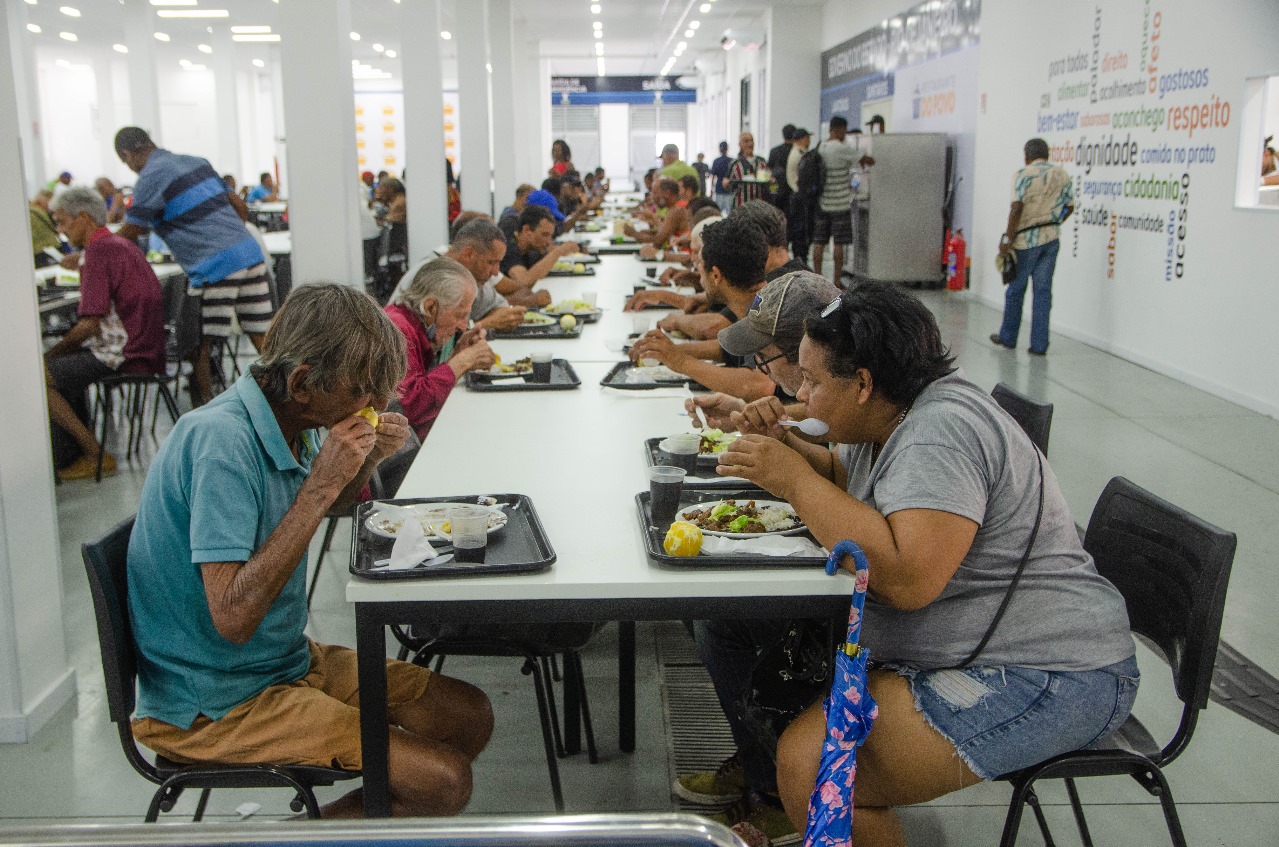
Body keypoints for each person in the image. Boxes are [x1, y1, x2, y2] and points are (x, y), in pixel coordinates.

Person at [712, 282, 1137, 847]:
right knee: (788, 701)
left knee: (813, 764)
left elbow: (908, 580)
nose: (802, 398)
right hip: (983, 645)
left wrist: (790, 478)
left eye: (812, 382)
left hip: (1054, 671)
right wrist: (789, 453)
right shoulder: (898, 408)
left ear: (863, 383)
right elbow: (863, 489)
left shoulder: (939, 437)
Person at [127, 283, 493, 818]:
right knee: (441, 782)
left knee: (467, 714)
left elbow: (329, 505)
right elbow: (232, 617)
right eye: (362, 392)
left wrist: (364, 464)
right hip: (213, 702)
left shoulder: (294, 421)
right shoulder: (221, 443)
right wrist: (321, 484)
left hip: (283, 661)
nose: (375, 404)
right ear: (301, 382)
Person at [670, 272, 843, 844]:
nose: (765, 376)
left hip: (890, 618)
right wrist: (778, 421)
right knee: (718, 617)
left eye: (769, 361)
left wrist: (790, 465)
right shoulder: (825, 395)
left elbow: (895, 557)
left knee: (731, 619)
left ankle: (779, 786)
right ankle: (761, 758)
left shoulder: (876, 407)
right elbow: (825, 439)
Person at [113, 126, 272, 407]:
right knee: (261, 335)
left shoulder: (150, 176)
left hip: (214, 264)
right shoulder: (196, 162)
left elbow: (132, 229)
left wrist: (96, 251)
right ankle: (284, 397)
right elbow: (240, 208)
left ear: (126, 154)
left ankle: (207, 407)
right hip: (249, 252)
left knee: (200, 343)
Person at [44, 187, 166, 481]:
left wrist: (50, 353)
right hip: (147, 345)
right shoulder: (119, 244)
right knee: (63, 368)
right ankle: (72, 453)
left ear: (84, 218)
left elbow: (89, 325)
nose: (61, 231)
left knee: (40, 377)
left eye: (62, 222)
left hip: (122, 352)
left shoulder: (98, 253)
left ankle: (93, 453)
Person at [628, 216, 776, 401]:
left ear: (715, 275)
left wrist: (681, 362)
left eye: (699, 263)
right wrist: (668, 351)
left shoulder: (769, 313)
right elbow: (728, 350)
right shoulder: (758, 303)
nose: (696, 271)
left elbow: (759, 385)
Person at [385, 258, 497, 440]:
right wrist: (462, 361)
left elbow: (421, 382)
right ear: (430, 307)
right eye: (459, 315)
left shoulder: (412, 324)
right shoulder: (397, 329)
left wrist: (456, 354)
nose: (462, 326)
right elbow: (408, 409)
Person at [991, 137, 1074, 356]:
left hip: (1025, 241)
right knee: (1043, 292)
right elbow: (1069, 207)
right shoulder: (1062, 174)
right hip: (1052, 239)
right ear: (1047, 154)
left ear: (1027, 155)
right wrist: (1054, 222)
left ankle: (1008, 337)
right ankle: (1039, 345)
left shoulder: (1022, 175)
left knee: (1016, 290)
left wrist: (1007, 240)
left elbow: (1016, 208)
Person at [443, 218, 544, 329]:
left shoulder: (473, 277)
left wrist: (497, 318)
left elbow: (500, 306)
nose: (496, 272)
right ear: (468, 254)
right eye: (491, 262)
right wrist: (486, 324)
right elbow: (442, 338)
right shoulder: (434, 280)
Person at [502, 204, 578, 288]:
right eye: (544, 235)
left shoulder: (531, 248)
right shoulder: (508, 247)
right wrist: (557, 252)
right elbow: (523, 281)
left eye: (550, 236)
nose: (549, 242)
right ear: (526, 230)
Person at [625, 179, 690, 252]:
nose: (652, 197)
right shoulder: (675, 207)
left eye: (655, 192)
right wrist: (648, 232)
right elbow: (665, 231)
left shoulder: (677, 210)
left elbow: (658, 241)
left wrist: (633, 233)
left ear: (667, 193)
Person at [785, 128, 812, 263]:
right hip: (798, 197)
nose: (809, 141)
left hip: (796, 196)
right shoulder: (798, 154)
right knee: (800, 232)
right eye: (808, 138)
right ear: (802, 139)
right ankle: (800, 260)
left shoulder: (797, 152)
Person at [728, 133, 770, 210]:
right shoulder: (735, 163)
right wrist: (727, 183)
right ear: (740, 145)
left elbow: (771, 186)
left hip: (759, 207)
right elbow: (728, 185)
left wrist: (772, 182)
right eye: (746, 141)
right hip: (740, 207)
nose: (750, 144)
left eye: (751, 140)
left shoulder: (761, 161)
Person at [29, 189, 63, 267]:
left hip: (40, 253)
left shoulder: (30, 213)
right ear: (38, 202)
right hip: (44, 254)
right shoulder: (37, 213)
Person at [766, 125, 795, 212]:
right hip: (791, 189)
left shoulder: (774, 151)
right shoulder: (795, 152)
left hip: (776, 188)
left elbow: (769, 170)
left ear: (783, 136)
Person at [710, 141, 734, 214]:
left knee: (718, 213)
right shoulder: (732, 161)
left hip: (719, 188)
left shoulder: (716, 161)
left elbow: (713, 176)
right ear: (727, 149)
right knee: (730, 213)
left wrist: (711, 189)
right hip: (729, 189)